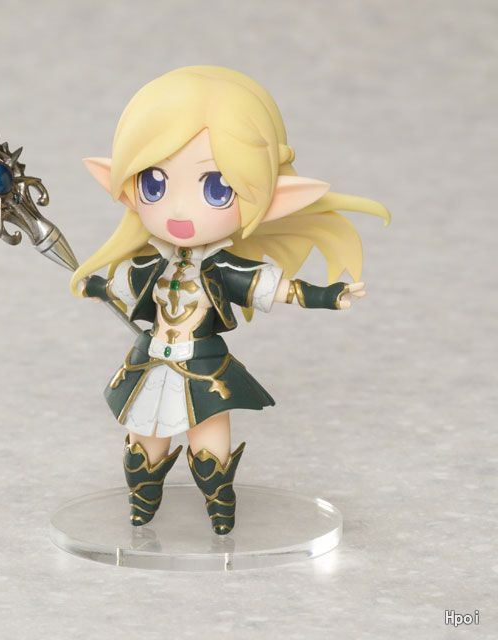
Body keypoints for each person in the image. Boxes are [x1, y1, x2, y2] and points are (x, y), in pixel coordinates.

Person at [70, 65, 389, 534]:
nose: (180, 210)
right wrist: (94, 285)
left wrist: (329, 295)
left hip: (203, 367)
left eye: (216, 188)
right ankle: (143, 501)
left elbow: (280, 288)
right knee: (145, 443)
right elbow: (120, 287)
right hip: (151, 361)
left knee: (209, 446)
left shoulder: (222, 268)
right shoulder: (150, 263)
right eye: (155, 184)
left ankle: (220, 506)